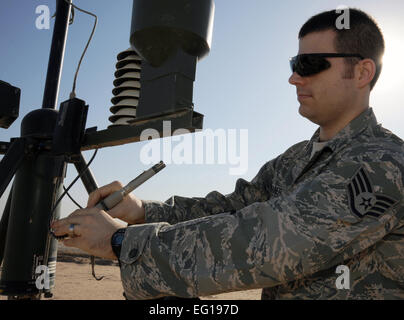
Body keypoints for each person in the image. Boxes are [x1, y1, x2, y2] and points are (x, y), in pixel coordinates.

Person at [52, 8, 404, 300]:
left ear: (362, 72)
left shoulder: (382, 162)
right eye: (294, 63)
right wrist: (143, 211)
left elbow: (272, 240)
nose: (294, 78)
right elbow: (231, 209)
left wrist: (120, 241)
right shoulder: (295, 160)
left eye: (310, 64)